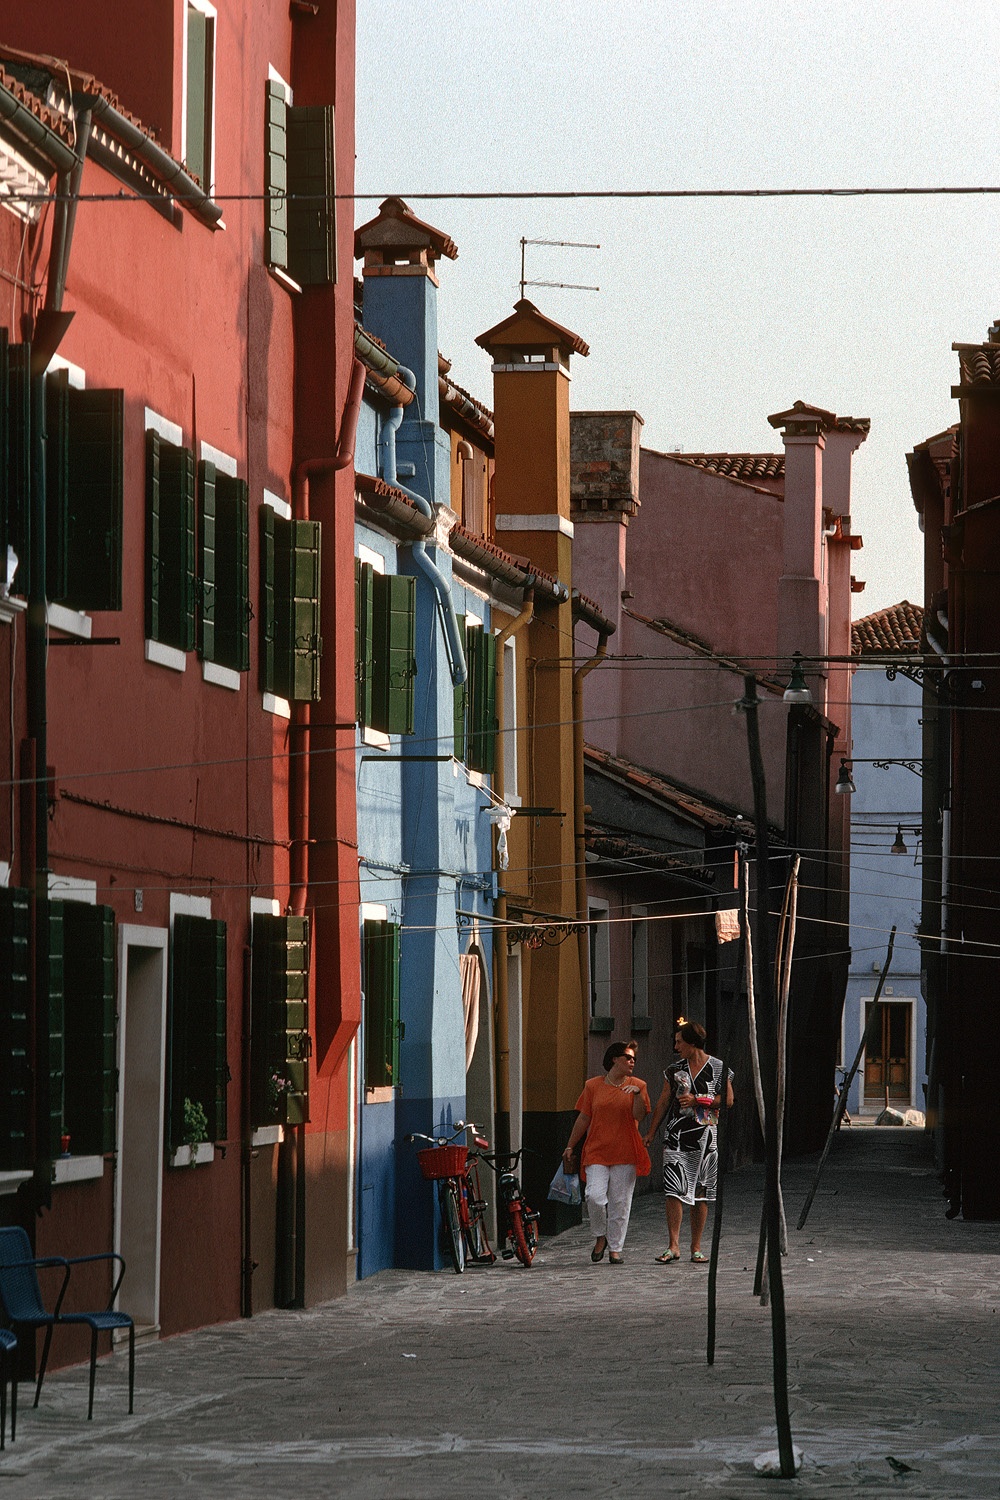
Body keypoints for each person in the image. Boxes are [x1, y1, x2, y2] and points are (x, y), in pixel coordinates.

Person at [643, 1020, 734, 1265]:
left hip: (705, 1137)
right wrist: (651, 1132)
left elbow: (727, 1099)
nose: (676, 1046)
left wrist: (699, 1100)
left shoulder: (717, 1067)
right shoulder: (675, 1070)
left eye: (679, 1041)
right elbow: (663, 1100)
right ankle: (673, 1245)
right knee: (673, 1189)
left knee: (700, 1192)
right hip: (677, 1135)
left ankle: (696, 1246)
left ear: (692, 1042)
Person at [561, 1042, 651, 1264]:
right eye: (628, 1057)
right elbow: (584, 1118)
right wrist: (570, 1145)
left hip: (625, 1151)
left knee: (620, 1202)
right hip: (597, 1150)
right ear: (614, 1059)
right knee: (594, 1196)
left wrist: (638, 1094)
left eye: (634, 1059)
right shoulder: (593, 1086)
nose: (632, 1062)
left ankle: (615, 1248)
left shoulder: (638, 1085)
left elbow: (639, 1115)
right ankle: (600, 1236)